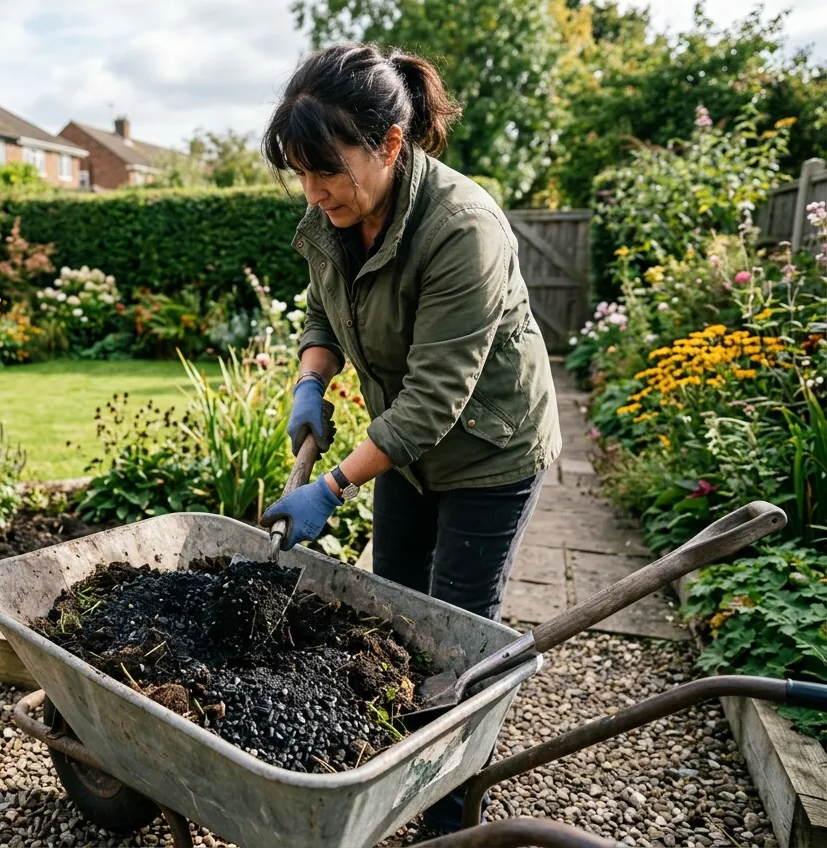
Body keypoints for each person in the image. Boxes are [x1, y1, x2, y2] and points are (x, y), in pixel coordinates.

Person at [258, 43, 562, 839]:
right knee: (393, 610)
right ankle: (393, 773)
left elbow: (436, 398)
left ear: (391, 144)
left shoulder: (464, 229)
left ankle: (448, 821)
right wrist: (312, 382)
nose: (313, 190)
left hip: (490, 449)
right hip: (407, 448)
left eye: (326, 170)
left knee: (458, 633)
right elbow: (326, 307)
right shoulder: (336, 210)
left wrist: (331, 488)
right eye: (300, 172)